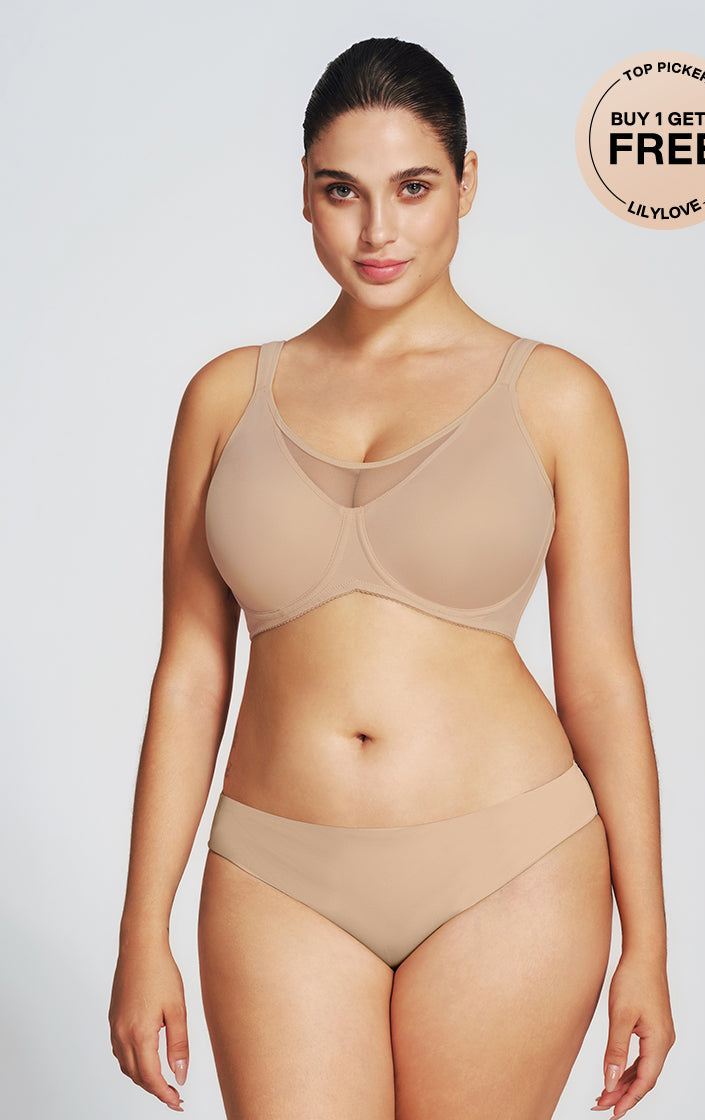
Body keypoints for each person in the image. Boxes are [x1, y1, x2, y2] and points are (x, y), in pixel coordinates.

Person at [109, 36, 675, 1120]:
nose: (377, 231)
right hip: (275, 874)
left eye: (413, 188)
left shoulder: (556, 398)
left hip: (510, 864)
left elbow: (602, 681)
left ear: (467, 182)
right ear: (305, 194)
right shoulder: (224, 399)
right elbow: (188, 676)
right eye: (343, 191)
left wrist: (646, 943)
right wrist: (143, 929)